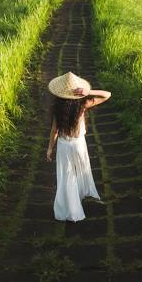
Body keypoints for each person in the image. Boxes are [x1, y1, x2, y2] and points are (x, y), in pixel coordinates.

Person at [46, 71, 111, 221]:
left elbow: (54, 131)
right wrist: (89, 92)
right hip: (78, 144)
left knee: (67, 177)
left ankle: (71, 209)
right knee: (81, 170)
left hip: (63, 146)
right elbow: (107, 94)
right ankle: (79, 199)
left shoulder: (58, 108)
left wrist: (50, 148)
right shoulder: (83, 104)